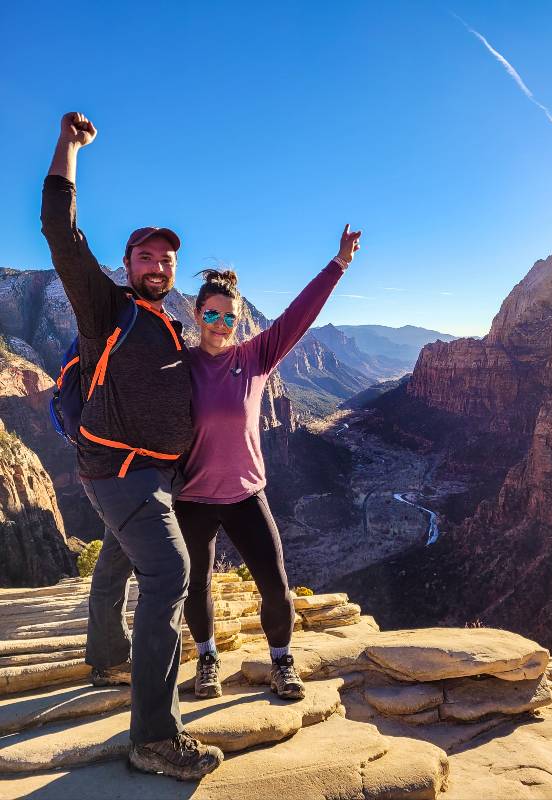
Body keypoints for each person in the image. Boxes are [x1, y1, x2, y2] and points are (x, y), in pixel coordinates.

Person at [41, 112, 223, 781]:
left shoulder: (168, 322)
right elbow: (60, 232)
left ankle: (107, 657)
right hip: (122, 475)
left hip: (144, 476)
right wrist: (69, 147)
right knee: (169, 576)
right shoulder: (106, 308)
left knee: (118, 563)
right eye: (146, 255)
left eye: (167, 257)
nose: (158, 264)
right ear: (127, 264)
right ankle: (154, 736)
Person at [174, 225, 362, 700]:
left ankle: (281, 661)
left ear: (237, 321)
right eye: (211, 314)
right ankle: (208, 658)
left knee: (276, 586)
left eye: (228, 317)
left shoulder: (256, 357)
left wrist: (337, 264)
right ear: (196, 314)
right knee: (196, 588)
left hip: (244, 494)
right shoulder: (178, 363)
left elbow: (300, 314)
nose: (220, 322)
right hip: (191, 498)